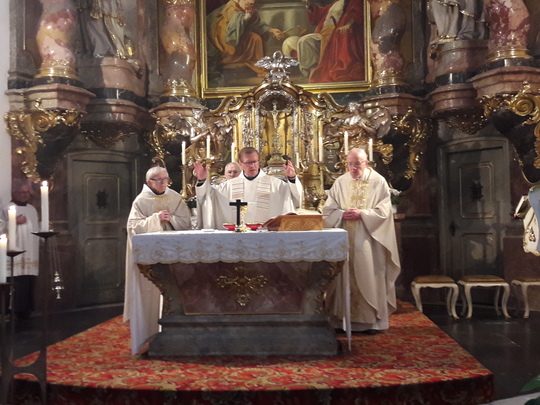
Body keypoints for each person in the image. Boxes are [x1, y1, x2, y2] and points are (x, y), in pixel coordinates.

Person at [322, 148, 400, 334]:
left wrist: (363, 214)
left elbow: (384, 211)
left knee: (369, 276)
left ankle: (371, 322)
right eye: (350, 164)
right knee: (343, 276)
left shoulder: (378, 181)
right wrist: (342, 214)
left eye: (357, 164)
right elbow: (328, 210)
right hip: (343, 239)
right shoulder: (341, 182)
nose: (353, 168)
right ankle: (342, 321)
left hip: (368, 239)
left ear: (366, 163)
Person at [123, 166, 191, 355]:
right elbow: (133, 228)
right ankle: (150, 333)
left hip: (174, 255)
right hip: (151, 259)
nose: (163, 183)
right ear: (148, 182)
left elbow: (187, 222)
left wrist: (172, 219)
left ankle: (178, 332)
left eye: (165, 179)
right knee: (151, 293)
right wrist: (155, 219)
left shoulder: (175, 197)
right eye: (158, 179)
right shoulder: (141, 201)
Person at [194, 147, 303, 229]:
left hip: (267, 238)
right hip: (236, 238)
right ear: (241, 164)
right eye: (248, 163)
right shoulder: (229, 186)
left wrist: (292, 178)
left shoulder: (276, 185)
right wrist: (202, 180)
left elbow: (295, 197)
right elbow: (209, 197)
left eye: (255, 162)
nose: (252, 166)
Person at [282, 0, 364, 83]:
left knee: (306, 41)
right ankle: (303, 73)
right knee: (290, 42)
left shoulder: (352, 2)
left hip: (332, 34)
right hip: (322, 33)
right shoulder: (335, 4)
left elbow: (356, 15)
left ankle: (309, 74)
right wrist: (309, 6)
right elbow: (320, 14)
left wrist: (348, 25)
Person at [206, 0, 283, 81]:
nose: (250, 5)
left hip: (239, 37)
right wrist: (245, 18)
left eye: (252, 3)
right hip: (226, 40)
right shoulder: (230, 8)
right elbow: (231, 30)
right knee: (255, 39)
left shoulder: (249, 9)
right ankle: (259, 68)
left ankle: (259, 68)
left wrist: (271, 30)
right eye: (248, 3)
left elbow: (257, 24)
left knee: (256, 38)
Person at [0, 180, 40, 319]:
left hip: (30, 251)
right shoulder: (7, 207)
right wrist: (13, 221)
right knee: (15, 280)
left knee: (27, 281)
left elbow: (35, 227)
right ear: (14, 193)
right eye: (22, 192)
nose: (25, 195)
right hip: (14, 252)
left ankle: (25, 310)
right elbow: (0, 227)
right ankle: (10, 311)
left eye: (27, 192)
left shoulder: (32, 209)